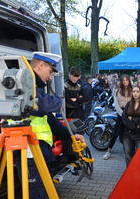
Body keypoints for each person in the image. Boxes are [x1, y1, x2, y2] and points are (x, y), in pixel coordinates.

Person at [14, 52, 84, 198]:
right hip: (29, 153)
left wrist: (70, 135)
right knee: (38, 194)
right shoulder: (26, 87)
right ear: (40, 66)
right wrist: (58, 101)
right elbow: (44, 106)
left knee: (43, 189)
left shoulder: (34, 88)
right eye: (50, 71)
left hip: (39, 152)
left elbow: (50, 121)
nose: (50, 77)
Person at [103, 75, 132, 160]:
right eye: (123, 80)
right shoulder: (118, 91)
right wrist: (122, 114)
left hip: (130, 114)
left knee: (127, 133)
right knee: (116, 133)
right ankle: (108, 151)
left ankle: (127, 152)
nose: (125, 81)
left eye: (127, 80)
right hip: (121, 113)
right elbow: (116, 104)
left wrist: (129, 114)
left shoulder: (132, 91)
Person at [121, 85, 140, 165]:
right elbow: (124, 118)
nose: (135, 93)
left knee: (139, 156)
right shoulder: (128, 104)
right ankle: (130, 173)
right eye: (133, 91)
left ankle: (138, 173)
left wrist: (132, 120)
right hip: (128, 134)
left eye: (137, 91)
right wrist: (135, 125)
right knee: (128, 155)